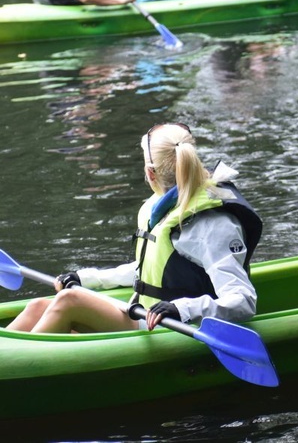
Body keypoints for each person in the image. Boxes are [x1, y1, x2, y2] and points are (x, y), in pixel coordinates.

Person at [7, 123, 263, 333]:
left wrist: (183, 309)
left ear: (150, 174)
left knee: (69, 301)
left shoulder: (210, 223)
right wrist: (87, 278)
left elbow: (243, 300)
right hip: (144, 313)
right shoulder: (160, 207)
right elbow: (149, 271)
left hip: (174, 327)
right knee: (37, 306)